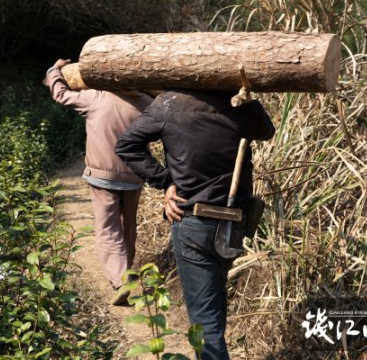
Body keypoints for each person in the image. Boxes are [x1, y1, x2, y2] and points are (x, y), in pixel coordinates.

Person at [114, 89, 275, 359]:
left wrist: (165, 181)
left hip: (192, 223)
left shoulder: (169, 103)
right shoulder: (235, 107)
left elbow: (126, 145)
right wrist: (248, 101)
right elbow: (266, 130)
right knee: (213, 310)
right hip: (232, 224)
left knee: (206, 323)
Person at [45, 59, 153, 305]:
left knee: (108, 229)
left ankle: (120, 279)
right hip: (134, 176)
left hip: (102, 176)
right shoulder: (148, 105)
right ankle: (126, 270)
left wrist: (54, 72)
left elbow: (61, 95)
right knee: (128, 227)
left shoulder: (96, 97)